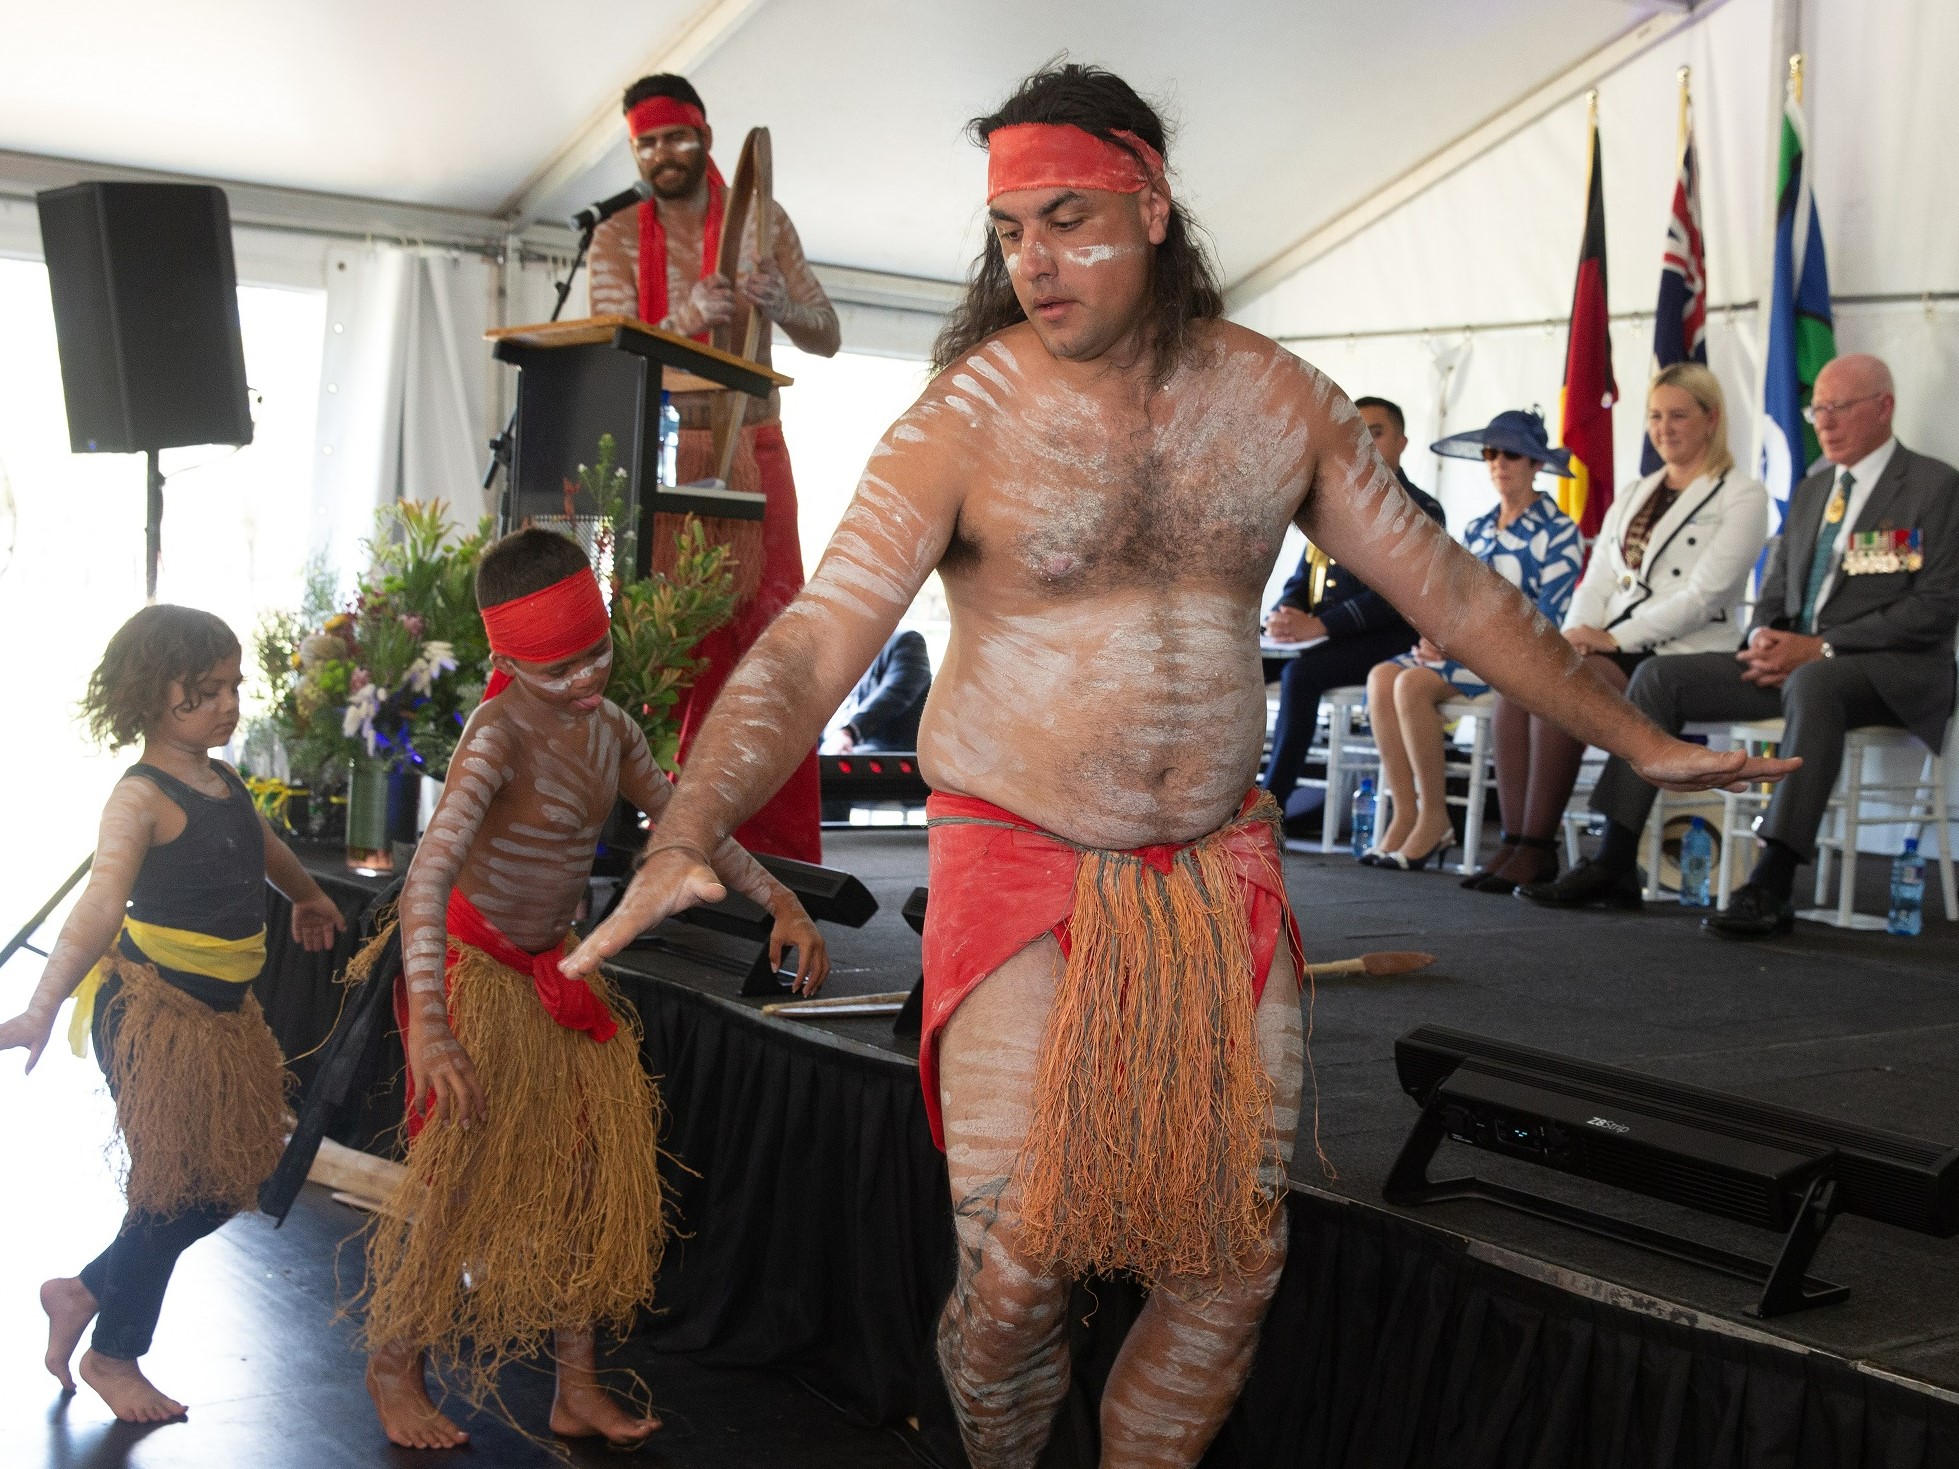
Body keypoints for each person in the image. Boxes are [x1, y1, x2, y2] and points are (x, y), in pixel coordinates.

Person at [562, 64, 1793, 1468]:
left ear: (1150, 206)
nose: (1031, 260)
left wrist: (1634, 738)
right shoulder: (963, 418)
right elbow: (811, 639)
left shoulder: (1273, 398)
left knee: (1226, 1267)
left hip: (1212, 869)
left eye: (1067, 217)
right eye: (1009, 229)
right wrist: (690, 824)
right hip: (1017, 858)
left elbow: (1452, 592)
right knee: (1018, 1268)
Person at [359, 528, 827, 1451]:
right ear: (504, 658)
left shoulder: (611, 730)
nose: (584, 678)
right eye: (557, 666)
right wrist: (436, 1028)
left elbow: (690, 825)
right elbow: (427, 876)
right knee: (455, 1185)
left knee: (584, 1182)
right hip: (472, 973)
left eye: (596, 652)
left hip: (556, 971)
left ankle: (574, 1389)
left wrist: (782, 901)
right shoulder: (494, 736)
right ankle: (392, 1362)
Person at [0, 606, 346, 1424]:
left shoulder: (221, 780)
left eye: (234, 686)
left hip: (223, 1017)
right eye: (207, 689)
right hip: (152, 1012)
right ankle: (113, 1353)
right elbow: (94, 908)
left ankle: (81, 1288)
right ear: (153, 695)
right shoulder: (140, 797)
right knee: (171, 1188)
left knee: (223, 1183)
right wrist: (43, 1005)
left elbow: (261, 843)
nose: (228, 704)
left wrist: (308, 893)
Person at [1524, 353, 1958, 936]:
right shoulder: (1813, 488)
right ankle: (1614, 859)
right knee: (1658, 678)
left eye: (1839, 409)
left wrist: (1821, 647)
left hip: (1891, 672)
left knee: (1814, 681)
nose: (1823, 423)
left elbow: (1935, 606)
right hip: (1798, 667)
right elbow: (1776, 589)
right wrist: (1765, 637)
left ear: (1884, 408)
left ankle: (1773, 879)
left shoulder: (1935, 486)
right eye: (1817, 408)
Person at [589, 73, 840, 865]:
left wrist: (782, 306)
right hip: (662, 450)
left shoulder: (762, 220)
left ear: (703, 136)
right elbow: (608, 348)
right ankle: (677, 844)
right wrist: (687, 320)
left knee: (772, 644)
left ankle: (779, 851)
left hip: (756, 448)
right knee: (676, 651)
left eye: (677, 137)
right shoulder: (616, 236)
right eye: (647, 144)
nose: (663, 155)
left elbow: (826, 331)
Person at [1466, 364, 1768, 892]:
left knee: (1564, 686)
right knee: (1519, 685)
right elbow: (1598, 577)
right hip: (1610, 640)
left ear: (1711, 419)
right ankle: (1515, 841)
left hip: (1683, 648)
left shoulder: (1740, 494)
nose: (1665, 428)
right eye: (1655, 416)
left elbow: (1705, 595)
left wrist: (1611, 639)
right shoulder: (1634, 492)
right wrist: (1576, 632)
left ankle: (1538, 847)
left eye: (1678, 415)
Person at [1361, 409, 1584, 870]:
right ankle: (1406, 813)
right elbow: (1450, 597)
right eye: (1491, 453)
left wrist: (1464, 641)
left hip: (1516, 656)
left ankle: (1435, 818)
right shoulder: (1478, 528)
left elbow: (1550, 619)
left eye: (1512, 454)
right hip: (1464, 651)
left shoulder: (1560, 531)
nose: (1499, 463)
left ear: (1536, 464)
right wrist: (1435, 634)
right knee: (1382, 676)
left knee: (1411, 684)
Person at [1260, 396, 1446, 838]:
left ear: (1401, 442)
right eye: (1355, 431)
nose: (1363, 441)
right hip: (1321, 634)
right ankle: (1220, 796)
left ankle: (1270, 806)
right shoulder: (1332, 502)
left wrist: (1322, 625)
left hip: (1388, 636)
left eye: (1376, 432)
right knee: (1239, 664)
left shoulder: (1421, 508)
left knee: (1300, 677)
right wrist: (1286, 613)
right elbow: (1305, 574)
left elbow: (1392, 596)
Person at [827, 628, 933, 752]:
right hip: (834, 742)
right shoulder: (846, 655)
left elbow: (896, 693)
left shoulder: (908, 641)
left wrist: (849, 730)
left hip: (883, 750)